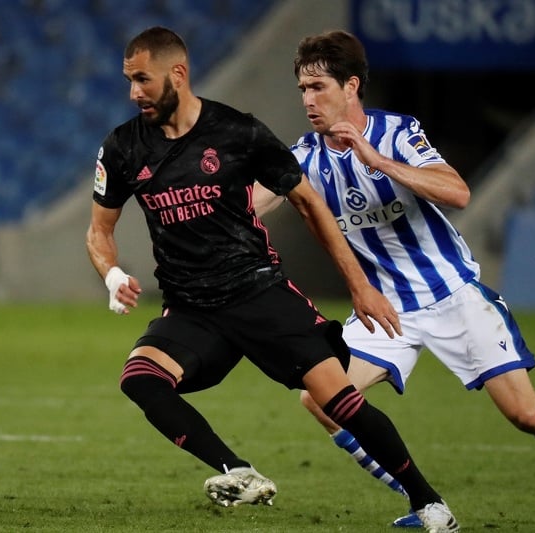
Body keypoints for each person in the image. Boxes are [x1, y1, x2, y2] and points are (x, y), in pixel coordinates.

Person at [255, 30, 535, 531]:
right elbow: (252, 202)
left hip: (452, 295)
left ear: (351, 86)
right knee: (323, 398)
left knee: (527, 414)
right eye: (302, 89)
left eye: (319, 87)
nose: (308, 99)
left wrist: (376, 160)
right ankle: (426, 504)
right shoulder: (304, 156)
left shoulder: (398, 134)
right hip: (387, 308)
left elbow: (456, 192)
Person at [85, 26, 460, 532]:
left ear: (178, 73)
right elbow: (99, 231)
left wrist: (358, 284)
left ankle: (429, 503)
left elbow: (310, 203)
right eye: (129, 81)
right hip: (193, 307)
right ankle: (236, 472)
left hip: (259, 291)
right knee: (140, 379)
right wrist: (110, 274)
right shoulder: (123, 147)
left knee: (341, 402)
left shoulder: (238, 132)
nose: (134, 93)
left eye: (142, 80)